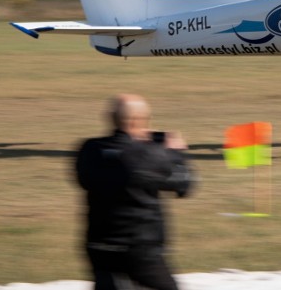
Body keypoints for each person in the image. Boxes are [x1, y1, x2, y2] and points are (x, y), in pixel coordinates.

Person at [76, 93, 193, 290]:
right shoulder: (150, 154)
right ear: (137, 121)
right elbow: (184, 184)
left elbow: (86, 179)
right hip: (140, 248)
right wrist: (175, 154)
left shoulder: (89, 149)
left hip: (98, 245)